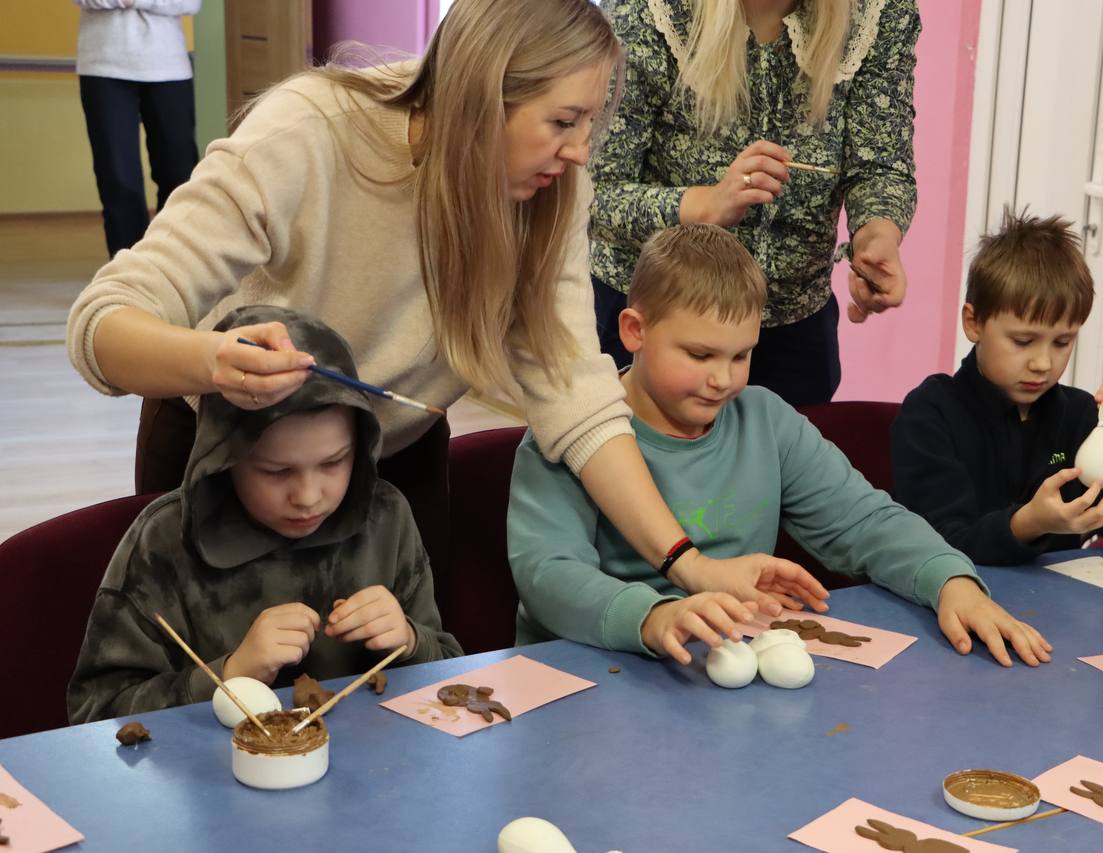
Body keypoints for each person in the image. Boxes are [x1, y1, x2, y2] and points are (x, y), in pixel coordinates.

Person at [66, 0, 811, 614]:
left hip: (395, 454)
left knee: (403, 678)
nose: (581, 151)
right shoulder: (309, 131)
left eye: (591, 122)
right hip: (229, 446)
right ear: (481, 97)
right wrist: (213, 361)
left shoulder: (551, 190)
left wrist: (688, 564)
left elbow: (577, 398)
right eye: (562, 121)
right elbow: (103, 324)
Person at [508, 224, 1052, 669]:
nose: (722, 379)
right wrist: (652, 618)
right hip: (595, 675)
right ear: (634, 330)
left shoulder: (765, 420)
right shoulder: (572, 432)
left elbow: (864, 521)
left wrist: (951, 580)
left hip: (721, 674)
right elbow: (547, 575)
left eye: (740, 355)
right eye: (699, 355)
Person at [68, 306, 463, 723]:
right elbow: (95, 712)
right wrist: (229, 675)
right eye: (277, 472)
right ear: (224, 457)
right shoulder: (162, 542)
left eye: (334, 462)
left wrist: (411, 642)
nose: (308, 497)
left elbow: (450, 671)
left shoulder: (386, 519)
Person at [588, 0, 920, 407]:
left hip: (795, 333)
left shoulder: (879, 13)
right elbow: (589, 197)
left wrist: (877, 238)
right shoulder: (648, 12)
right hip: (655, 325)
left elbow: (881, 165)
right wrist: (706, 204)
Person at [891, 210, 1103, 567]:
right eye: (1023, 341)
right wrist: (1027, 524)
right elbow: (937, 547)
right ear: (974, 323)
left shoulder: (1079, 416)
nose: (1043, 363)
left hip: (1060, 599)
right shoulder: (931, 414)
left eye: (1062, 342)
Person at [74, 0, 201, 258]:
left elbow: (190, 3)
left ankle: (174, 264)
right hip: (103, 67)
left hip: (170, 68)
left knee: (179, 175)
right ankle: (129, 271)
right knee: (119, 179)